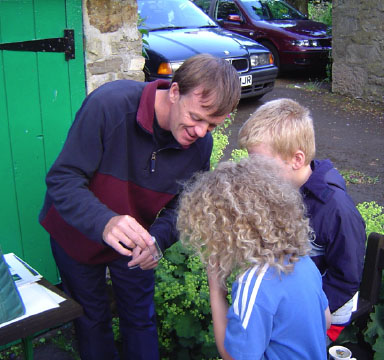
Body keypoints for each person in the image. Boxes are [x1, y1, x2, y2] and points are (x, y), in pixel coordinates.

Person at [38, 53, 241, 359]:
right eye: (197, 117)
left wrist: (158, 241)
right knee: (92, 321)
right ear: (174, 92)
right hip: (77, 231)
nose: (201, 132)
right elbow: (62, 179)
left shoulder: (200, 145)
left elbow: (184, 206)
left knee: (140, 319)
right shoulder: (109, 105)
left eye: (211, 126)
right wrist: (104, 222)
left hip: (138, 242)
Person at [238, 98, 366, 343]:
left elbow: (346, 278)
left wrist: (304, 309)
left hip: (322, 311)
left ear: (297, 159)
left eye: (261, 165)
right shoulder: (277, 190)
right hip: (286, 298)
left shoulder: (338, 211)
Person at [176, 156, 331, 360]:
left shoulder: (255, 283)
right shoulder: (302, 259)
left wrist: (216, 289)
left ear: (227, 233)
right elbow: (326, 321)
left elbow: (235, 357)